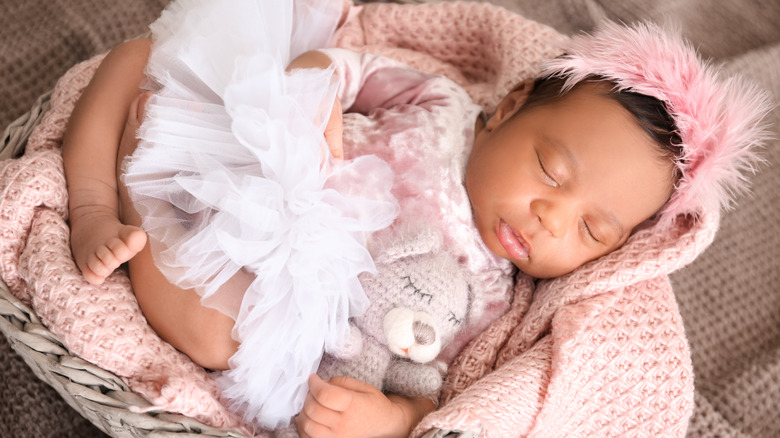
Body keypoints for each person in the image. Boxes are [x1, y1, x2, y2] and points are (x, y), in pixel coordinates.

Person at [61, 0, 771, 436]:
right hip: (260, 173)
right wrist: (308, 104)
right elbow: (344, 67)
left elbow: (430, 390)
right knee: (139, 58)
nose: (553, 219)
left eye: (593, 232)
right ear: (510, 107)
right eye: (551, 172)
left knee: (217, 337)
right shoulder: (438, 106)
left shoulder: (494, 298)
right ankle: (96, 199)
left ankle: (134, 193)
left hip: (264, 296)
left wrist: (390, 422)